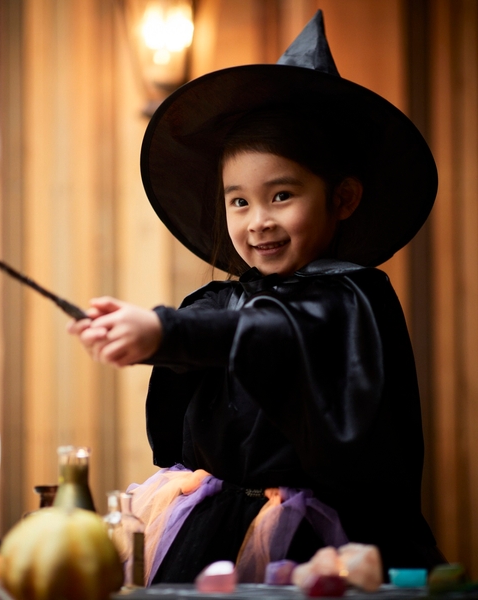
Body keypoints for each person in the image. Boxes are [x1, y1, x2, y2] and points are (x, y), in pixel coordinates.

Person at [68, 10, 445, 584]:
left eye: (282, 195)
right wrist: (141, 335)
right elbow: (198, 339)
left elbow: (277, 330)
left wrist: (166, 330)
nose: (258, 221)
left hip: (321, 535)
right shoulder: (219, 300)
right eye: (239, 201)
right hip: (216, 521)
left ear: (342, 198)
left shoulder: (349, 299)